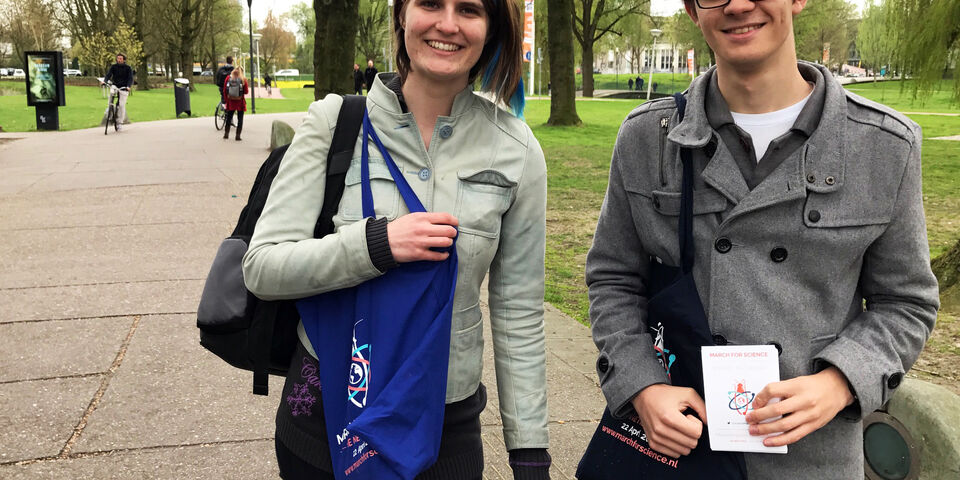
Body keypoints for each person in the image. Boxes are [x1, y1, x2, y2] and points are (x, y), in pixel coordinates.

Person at [586, 0, 939, 478]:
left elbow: (906, 301)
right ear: (693, 10)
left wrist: (839, 382)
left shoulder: (884, 146)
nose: (737, 5)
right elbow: (613, 279)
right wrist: (642, 387)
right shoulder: (647, 139)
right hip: (677, 450)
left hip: (813, 458)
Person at [242, 0, 551, 478]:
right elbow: (263, 268)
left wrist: (529, 451)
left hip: (445, 428)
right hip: (325, 415)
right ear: (402, 15)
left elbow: (519, 311)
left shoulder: (517, 151)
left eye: (468, 9)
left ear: (490, 29)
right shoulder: (333, 122)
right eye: (430, 3)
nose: (447, 24)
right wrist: (376, 245)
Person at [100, 53, 134, 129]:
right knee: (111, 94)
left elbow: (130, 78)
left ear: (124, 59)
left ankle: (120, 122)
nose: (119, 60)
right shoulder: (113, 67)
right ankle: (109, 108)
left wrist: (128, 86)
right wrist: (104, 81)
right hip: (115, 85)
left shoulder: (128, 68)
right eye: (118, 58)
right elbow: (108, 75)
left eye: (120, 58)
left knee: (122, 105)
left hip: (124, 87)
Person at [221, 66, 248, 141]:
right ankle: (238, 136)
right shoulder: (243, 79)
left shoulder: (228, 78)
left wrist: (227, 100)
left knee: (229, 118)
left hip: (231, 101)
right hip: (240, 102)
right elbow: (246, 91)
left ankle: (226, 134)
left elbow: (225, 90)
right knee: (240, 119)